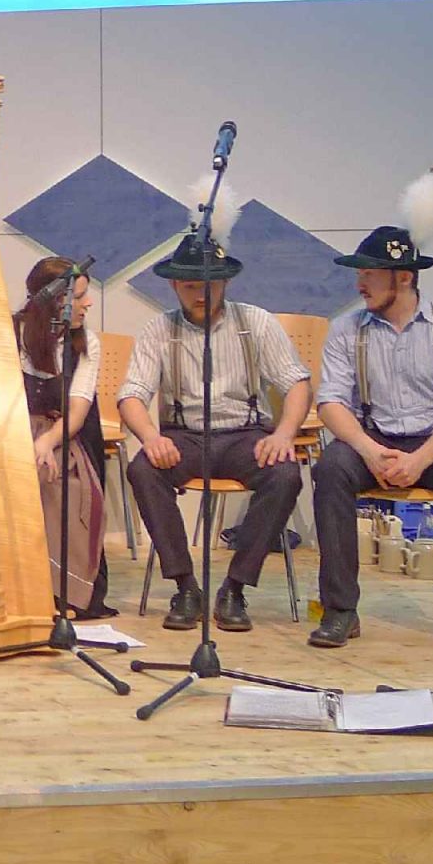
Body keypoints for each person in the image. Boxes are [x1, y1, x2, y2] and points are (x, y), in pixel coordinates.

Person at [309, 173, 433, 655]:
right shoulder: (346, 329)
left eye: (370, 274)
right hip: (370, 437)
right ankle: (340, 609)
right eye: (360, 273)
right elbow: (330, 402)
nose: (360, 283)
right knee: (331, 469)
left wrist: (419, 460)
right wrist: (370, 451)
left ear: (404, 277)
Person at [115, 225, 311, 633]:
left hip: (245, 434)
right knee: (143, 470)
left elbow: (296, 383)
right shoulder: (159, 330)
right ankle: (185, 586)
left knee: (285, 475)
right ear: (174, 285)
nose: (201, 295)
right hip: (184, 435)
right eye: (190, 287)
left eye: (209, 285)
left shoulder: (255, 322)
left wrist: (284, 434)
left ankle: (235, 588)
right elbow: (131, 394)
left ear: (225, 282)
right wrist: (151, 438)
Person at [18, 257, 109, 619]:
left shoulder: (86, 343)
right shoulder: (11, 334)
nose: (89, 303)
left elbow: (77, 413)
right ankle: (18, 582)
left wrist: (45, 442)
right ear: (52, 300)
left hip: (61, 434)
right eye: (80, 296)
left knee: (59, 482)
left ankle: (61, 591)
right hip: (13, 430)